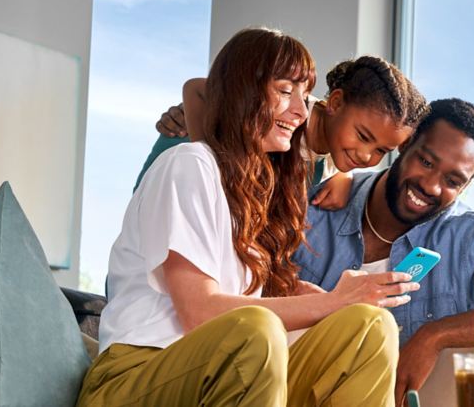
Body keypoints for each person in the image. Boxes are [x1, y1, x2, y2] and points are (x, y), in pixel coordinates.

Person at [78, 28, 420, 407]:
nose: (301, 112)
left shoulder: (264, 189)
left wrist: (319, 297)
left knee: (368, 328)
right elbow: (202, 312)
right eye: (286, 92)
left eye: (305, 97)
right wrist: (332, 303)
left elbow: (246, 300)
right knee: (255, 330)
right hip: (137, 375)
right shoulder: (190, 164)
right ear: (245, 88)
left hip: (225, 365)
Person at [292, 98, 474, 406]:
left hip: (407, 392)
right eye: (427, 162)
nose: (432, 186)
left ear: (465, 188)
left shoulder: (470, 235)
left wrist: (434, 337)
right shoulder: (318, 204)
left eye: (453, 181)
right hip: (313, 383)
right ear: (404, 145)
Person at [136, 55, 429, 209]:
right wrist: (209, 161)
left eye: (381, 151)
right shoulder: (283, 115)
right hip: (161, 224)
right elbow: (198, 87)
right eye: (364, 137)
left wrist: (345, 175)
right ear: (336, 102)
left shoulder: (326, 162)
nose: (367, 155)